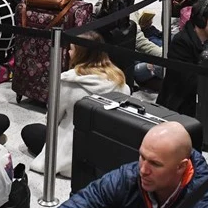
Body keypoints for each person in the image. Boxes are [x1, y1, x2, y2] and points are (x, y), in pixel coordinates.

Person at [47, 121, 208, 208]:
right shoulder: (128, 177)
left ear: (181, 167)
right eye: (142, 156)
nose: (143, 169)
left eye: (155, 164)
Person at [21, 31, 129, 178]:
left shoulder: (68, 81)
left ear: (80, 54)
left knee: (30, 131)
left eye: (72, 49)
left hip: (72, 151)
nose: (69, 53)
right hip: (105, 150)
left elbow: (53, 119)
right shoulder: (120, 80)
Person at [157, 0, 208, 117]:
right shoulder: (181, 42)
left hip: (202, 102)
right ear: (201, 21)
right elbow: (189, 82)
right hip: (179, 108)